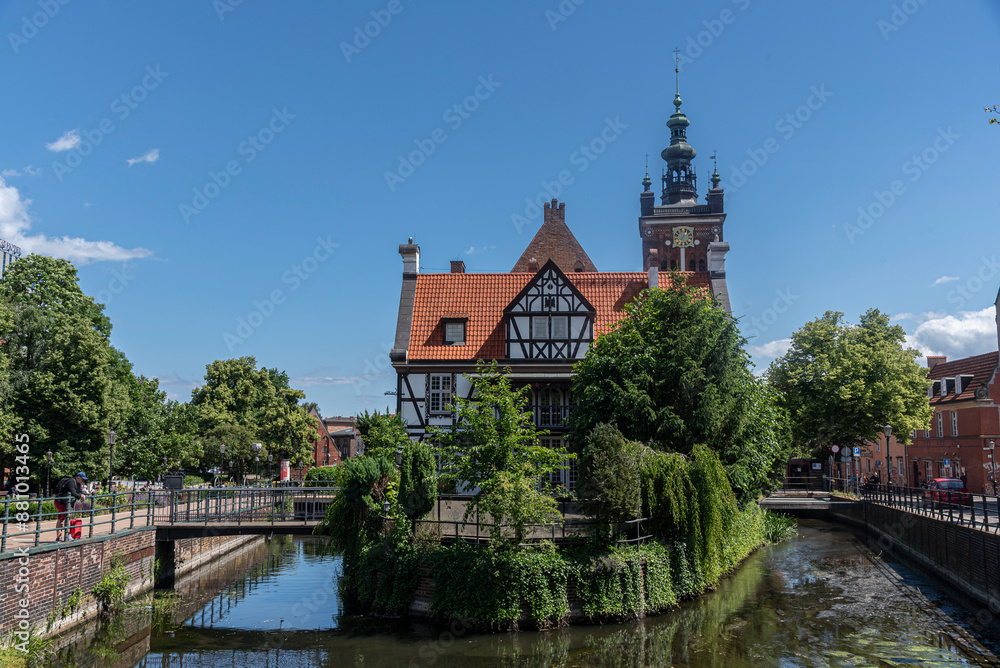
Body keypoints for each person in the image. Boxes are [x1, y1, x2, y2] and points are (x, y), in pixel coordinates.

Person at [54, 472, 87, 541]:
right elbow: (73, 493)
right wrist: (80, 496)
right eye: (82, 479)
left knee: (61, 519)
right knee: (67, 516)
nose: (83, 481)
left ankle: (59, 537)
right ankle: (68, 535)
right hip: (60, 502)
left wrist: (81, 495)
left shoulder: (78, 484)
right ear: (78, 477)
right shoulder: (71, 482)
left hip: (65, 503)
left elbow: (79, 492)